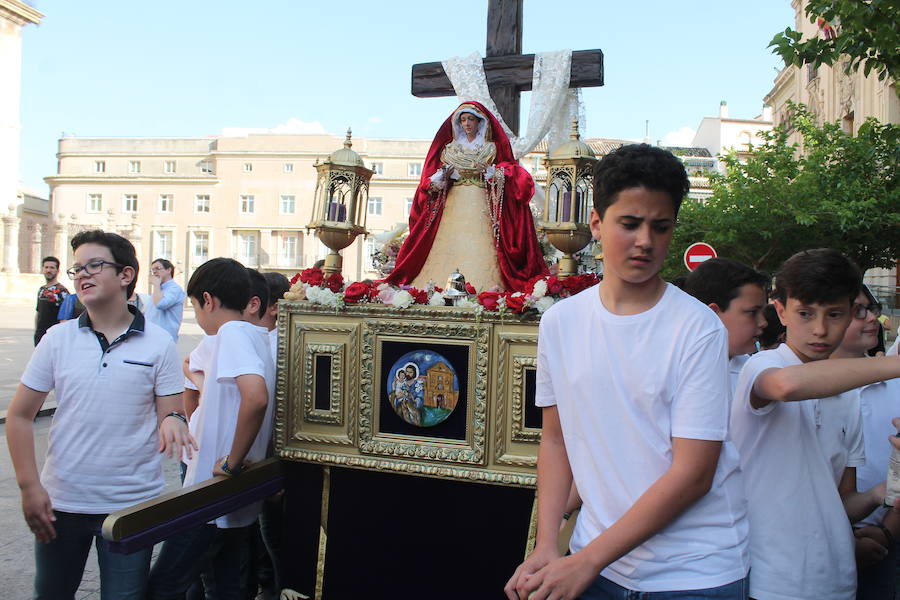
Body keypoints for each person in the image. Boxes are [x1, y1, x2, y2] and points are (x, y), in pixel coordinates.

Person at [506, 144, 749, 600]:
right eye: (630, 224)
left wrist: (587, 560)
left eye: (660, 227)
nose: (645, 241)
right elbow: (556, 440)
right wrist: (546, 546)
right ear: (597, 223)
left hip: (691, 572)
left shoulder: (697, 329)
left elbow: (694, 473)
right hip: (593, 559)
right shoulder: (561, 322)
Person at [6, 230, 193, 599]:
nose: (82, 275)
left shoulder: (158, 344)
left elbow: (173, 412)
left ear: (126, 275)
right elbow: (19, 416)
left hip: (131, 507)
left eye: (95, 265)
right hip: (62, 502)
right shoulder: (57, 339)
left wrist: (174, 421)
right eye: (78, 268)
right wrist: (30, 487)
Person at [730, 248, 900, 600]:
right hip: (769, 579)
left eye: (834, 314)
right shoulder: (762, 367)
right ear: (780, 310)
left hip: (837, 580)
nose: (820, 329)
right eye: (805, 313)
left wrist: (879, 493)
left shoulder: (849, 393)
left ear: (852, 313)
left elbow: (840, 501)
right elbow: (786, 386)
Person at [147, 258, 276, 600]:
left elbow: (256, 397)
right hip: (233, 498)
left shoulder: (231, 333)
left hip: (211, 493)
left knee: (163, 586)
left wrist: (232, 461)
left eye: (195, 307)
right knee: (227, 587)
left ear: (208, 300)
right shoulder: (257, 335)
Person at [385, 101, 548, 292]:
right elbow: (432, 180)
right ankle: (436, 287)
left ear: (479, 122)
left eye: (470, 119)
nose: (467, 123)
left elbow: (512, 172)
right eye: (463, 120)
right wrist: (441, 179)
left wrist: (493, 173)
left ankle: (483, 286)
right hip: (454, 201)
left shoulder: (491, 148)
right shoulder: (450, 149)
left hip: (480, 200)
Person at [832, 286, 900, 599]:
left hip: (885, 539)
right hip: (820, 548)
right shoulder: (795, 389)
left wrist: (888, 530)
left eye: (871, 308)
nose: (872, 318)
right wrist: (844, 542)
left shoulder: (895, 386)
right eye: (858, 311)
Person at [682, 257, 769, 389]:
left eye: (763, 312)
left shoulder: (754, 375)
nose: (763, 322)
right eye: (752, 312)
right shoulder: (672, 374)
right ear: (712, 314)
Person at [146, 258, 186, 341]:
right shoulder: (159, 290)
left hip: (165, 338)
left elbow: (160, 304)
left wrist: (156, 285)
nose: (154, 272)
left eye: (158, 268)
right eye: (152, 270)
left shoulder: (174, 289)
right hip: (152, 336)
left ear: (168, 270)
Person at [34, 256, 69, 345]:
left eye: (52, 268)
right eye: (46, 267)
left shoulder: (62, 291)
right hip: (40, 337)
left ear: (57, 271)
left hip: (54, 338)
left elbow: (66, 318)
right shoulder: (41, 290)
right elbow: (38, 313)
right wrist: (36, 332)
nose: (48, 270)